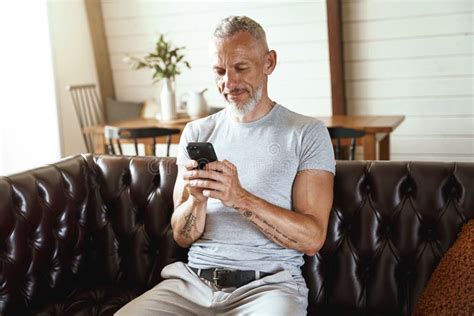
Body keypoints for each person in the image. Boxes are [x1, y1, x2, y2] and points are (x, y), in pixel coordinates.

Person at [116, 15, 335, 316]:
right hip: (192, 285)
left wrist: (239, 198)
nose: (228, 83)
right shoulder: (197, 133)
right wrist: (196, 201)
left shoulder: (306, 132)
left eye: (240, 68)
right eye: (219, 71)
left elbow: (312, 239)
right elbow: (182, 235)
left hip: (268, 289)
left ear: (269, 62)